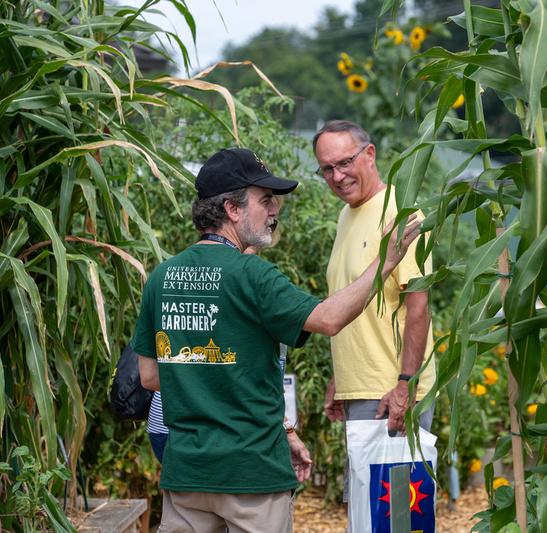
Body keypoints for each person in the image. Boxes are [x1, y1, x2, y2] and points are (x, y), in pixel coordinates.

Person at [133, 147, 422, 532]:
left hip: (187, 474)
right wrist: (386, 259)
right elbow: (329, 319)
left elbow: (150, 376)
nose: (275, 210)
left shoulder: (162, 277)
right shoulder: (253, 275)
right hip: (252, 474)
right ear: (232, 210)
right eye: (265, 200)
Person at [313, 120, 437, 504]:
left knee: (397, 516)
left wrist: (406, 384)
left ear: (370, 154)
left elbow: (419, 306)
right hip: (361, 389)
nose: (337, 176)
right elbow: (354, 305)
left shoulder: (400, 214)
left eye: (345, 162)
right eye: (327, 169)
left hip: (390, 393)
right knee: (368, 515)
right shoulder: (346, 216)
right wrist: (341, 379)